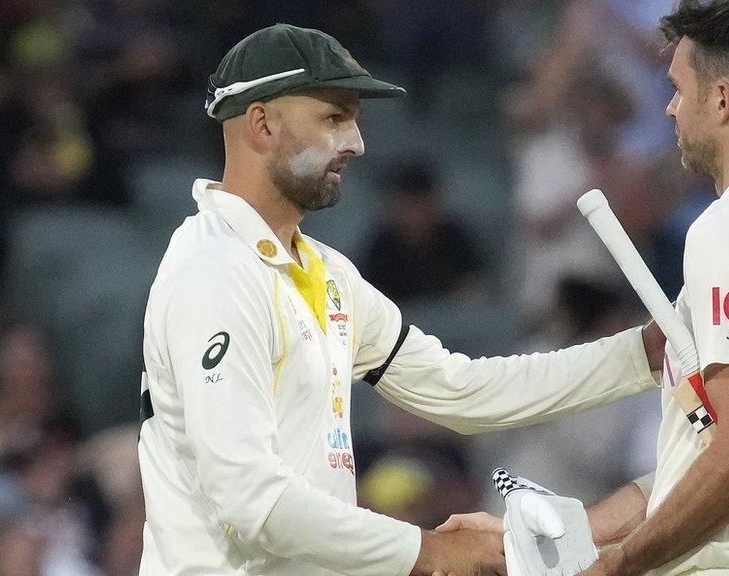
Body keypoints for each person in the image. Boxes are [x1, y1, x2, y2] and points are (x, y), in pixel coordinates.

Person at [136, 23, 666, 576]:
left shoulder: (327, 272)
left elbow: (460, 390)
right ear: (262, 124)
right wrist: (431, 551)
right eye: (334, 117)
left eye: (355, 121)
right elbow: (250, 500)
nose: (356, 143)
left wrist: (638, 356)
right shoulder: (214, 270)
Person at [444, 1, 729, 575]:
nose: (670, 109)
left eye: (677, 89)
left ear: (722, 100)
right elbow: (710, 463)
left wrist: (622, 564)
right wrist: (553, 539)